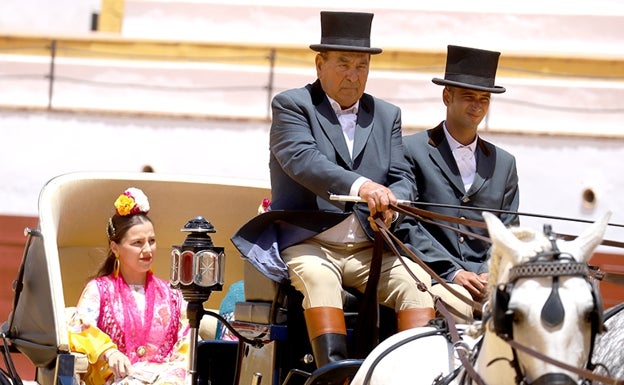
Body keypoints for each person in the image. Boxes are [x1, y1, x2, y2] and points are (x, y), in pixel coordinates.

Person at [231, 11, 435, 370]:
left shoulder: (387, 115)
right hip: (311, 243)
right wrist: (364, 186)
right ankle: (334, 375)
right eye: (343, 64)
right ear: (320, 63)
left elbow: (402, 175)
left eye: (362, 66)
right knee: (319, 279)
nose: (353, 75)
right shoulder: (292, 105)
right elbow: (303, 160)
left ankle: (415, 372)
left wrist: (393, 203)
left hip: (370, 248)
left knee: (416, 285)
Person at [398, 45, 520, 308]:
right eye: (468, 96)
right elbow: (405, 225)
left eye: (484, 99)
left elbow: (509, 230)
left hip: (489, 283)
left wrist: (491, 273)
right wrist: (452, 273)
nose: (477, 106)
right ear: (446, 96)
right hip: (430, 277)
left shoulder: (505, 163)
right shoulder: (410, 150)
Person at [69, 187, 190, 385]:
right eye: (137, 243)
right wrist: (109, 352)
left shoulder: (173, 294)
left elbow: (186, 340)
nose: (147, 249)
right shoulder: (99, 290)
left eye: (151, 241)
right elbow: (80, 327)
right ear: (115, 247)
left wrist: (174, 373)